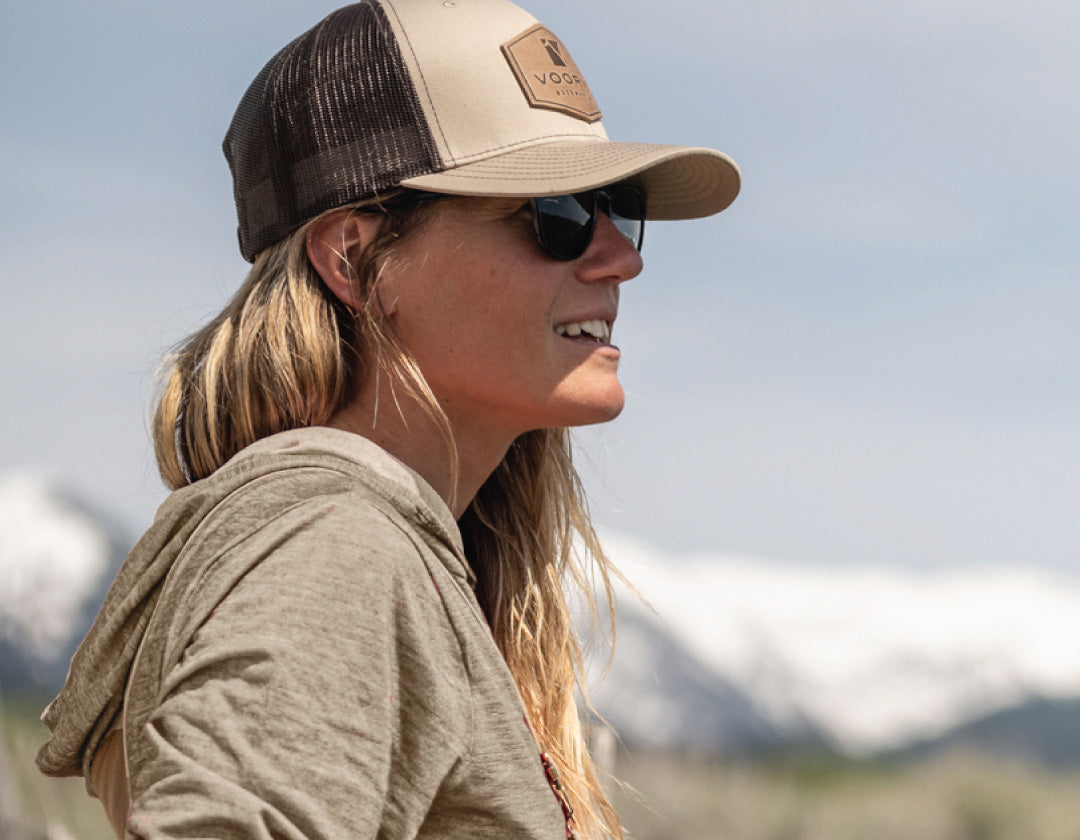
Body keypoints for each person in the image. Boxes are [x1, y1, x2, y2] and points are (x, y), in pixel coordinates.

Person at [36, 1, 739, 838]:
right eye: (558, 214)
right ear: (356, 258)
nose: (621, 257)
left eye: (617, 207)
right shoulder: (338, 547)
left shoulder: (364, 542)